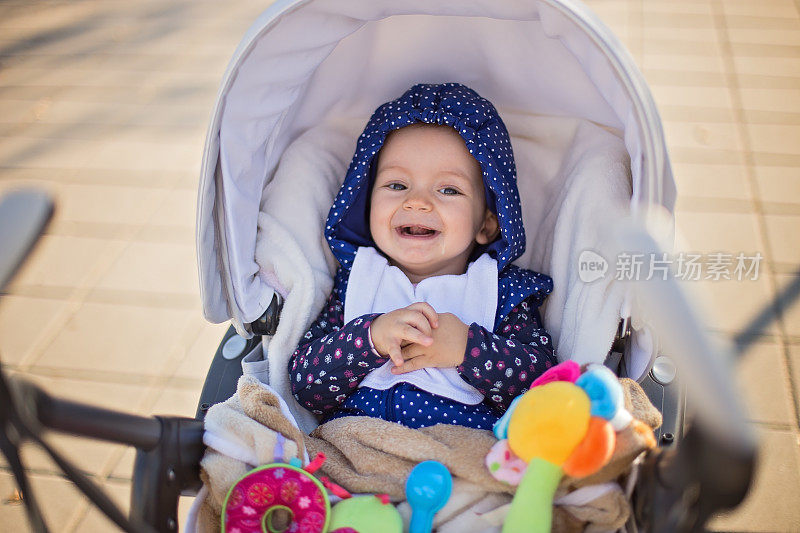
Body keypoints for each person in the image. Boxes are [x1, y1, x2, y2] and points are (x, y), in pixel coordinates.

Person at [289, 83, 556, 430]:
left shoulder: (499, 292)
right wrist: (368, 340)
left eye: (448, 190)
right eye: (397, 185)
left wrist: (469, 350)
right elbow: (305, 386)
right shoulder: (356, 282)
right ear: (366, 203)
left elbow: (546, 387)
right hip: (357, 453)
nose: (417, 202)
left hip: (461, 460)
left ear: (488, 224)